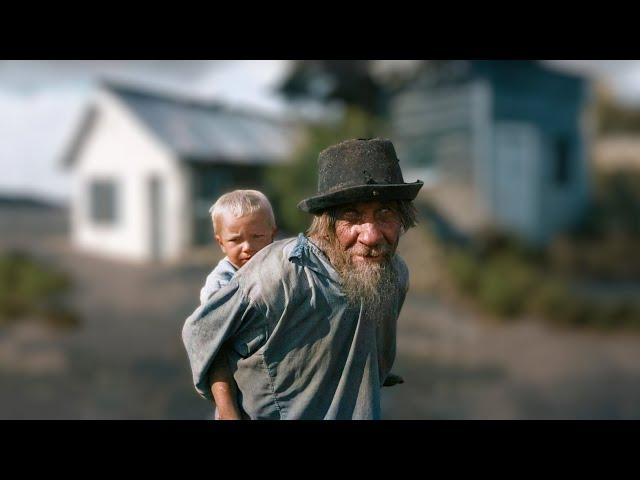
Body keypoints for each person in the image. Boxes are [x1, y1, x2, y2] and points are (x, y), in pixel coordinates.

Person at [182, 138, 423, 419]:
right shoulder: (277, 274)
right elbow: (203, 335)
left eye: (385, 214)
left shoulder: (394, 273)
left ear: (402, 219)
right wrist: (228, 411)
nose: (370, 236)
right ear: (327, 224)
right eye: (351, 216)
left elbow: (377, 346)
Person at [200, 189, 277, 420]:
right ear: (221, 243)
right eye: (235, 240)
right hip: (238, 385)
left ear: (273, 234)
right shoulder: (220, 284)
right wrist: (227, 409)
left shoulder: (281, 266)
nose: (247, 247)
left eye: (257, 236)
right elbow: (212, 348)